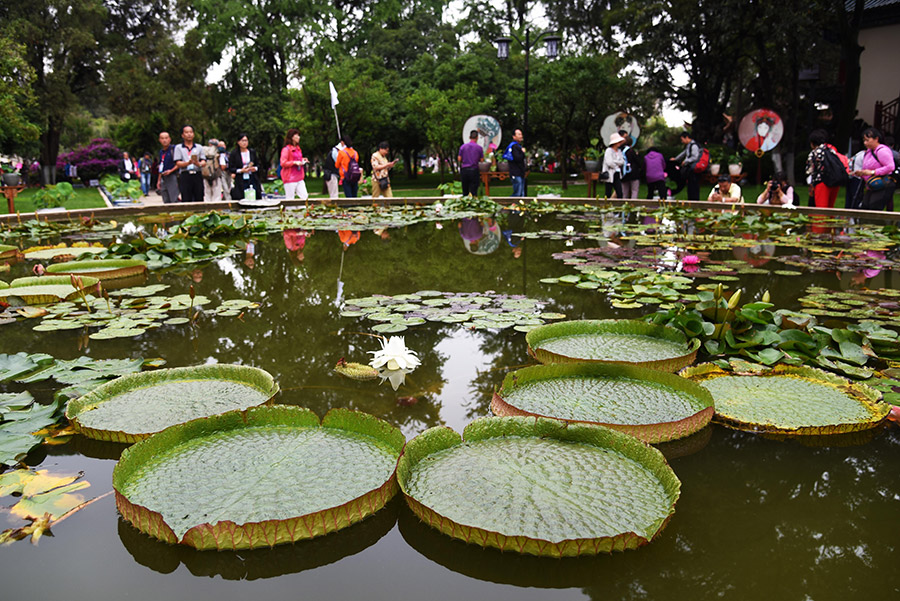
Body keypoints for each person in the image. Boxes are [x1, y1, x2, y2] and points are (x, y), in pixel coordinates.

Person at [854, 127, 896, 211]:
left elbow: (890, 167)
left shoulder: (882, 151)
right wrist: (862, 173)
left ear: (876, 139)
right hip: (871, 185)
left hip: (882, 184)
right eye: (864, 140)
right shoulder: (869, 151)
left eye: (867, 140)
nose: (865, 143)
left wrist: (873, 172)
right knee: (865, 206)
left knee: (874, 207)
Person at [805, 129, 839, 209]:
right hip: (834, 183)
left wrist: (811, 185)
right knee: (830, 208)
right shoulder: (831, 151)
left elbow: (810, 170)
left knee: (820, 210)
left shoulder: (814, 153)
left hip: (821, 183)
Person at [173, 125, 206, 202]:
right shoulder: (178, 148)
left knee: (199, 196)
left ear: (194, 134)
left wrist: (198, 163)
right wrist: (188, 163)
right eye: (186, 132)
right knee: (186, 197)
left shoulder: (199, 147)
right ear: (182, 135)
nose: (189, 134)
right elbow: (178, 163)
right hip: (185, 174)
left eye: (191, 132)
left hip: (197, 174)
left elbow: (204, 161)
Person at [228, 134, 263, 201]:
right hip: (241, 179)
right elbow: (231, 168)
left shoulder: (252, 152)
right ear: (238, 142)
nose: (244, 143)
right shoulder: (234, 153)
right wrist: (241, 170)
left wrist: (254, 168)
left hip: (252, 177)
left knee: (254, 195)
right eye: (242, 141)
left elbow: (258, 165)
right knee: (242, 197)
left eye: (246, 141)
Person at [280, 128, 309, 201]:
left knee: (305, 197)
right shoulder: (286, 149)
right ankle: (289, 212)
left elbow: (298, 159)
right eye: (297, 135)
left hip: (299, 177)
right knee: (290, 199)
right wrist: (294, 162)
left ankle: (303, 211)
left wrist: (303, 160)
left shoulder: (298, 149)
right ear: (292, 137)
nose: (299, 137)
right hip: (290, 178)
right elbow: (283, 163)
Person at [671, 131, 701, 200]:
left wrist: (686, 161)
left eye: (682, 139)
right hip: (690, 170)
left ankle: (695, 201)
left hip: (693, 170)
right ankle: (691, 200)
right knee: (690, 186)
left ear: (687, 137)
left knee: (694, 186)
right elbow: (684, 153)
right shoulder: (689, 146)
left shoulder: (694, 146)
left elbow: (695, 157)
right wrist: (675, 159)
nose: (682, 141)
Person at [458, 129, 484, 197]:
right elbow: (481, 160)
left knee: (465, 190)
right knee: (474, 190)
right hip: (474, 169)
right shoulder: (479, 148)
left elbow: (459, 159)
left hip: (464, 169)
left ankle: (465, 203)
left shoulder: (463, 147)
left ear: (469, 137)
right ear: (477, 138)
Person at [602, 132, 626, 199]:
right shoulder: (608, 151)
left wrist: (615, 162)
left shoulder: (619, 151)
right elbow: (609, 162)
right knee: (608, 192)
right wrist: (616, 164)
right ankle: (606, 205)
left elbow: (622, 161)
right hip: (610, 174)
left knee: (619, 192)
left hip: (617, 173)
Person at [619, 133, 642, 199]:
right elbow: (638, 162)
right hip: (633, 173)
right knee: (634, 190)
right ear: (631, 143)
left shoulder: (620, 151)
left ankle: (624, 205)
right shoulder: (631, 151)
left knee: (624, 192)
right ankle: (633, 205)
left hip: (624, 173)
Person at [507, 129, 526, 197]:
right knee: (518, 193)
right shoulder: (514, 146)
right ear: (514, 137)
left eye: (521, 134)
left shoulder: (517, 146)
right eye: (519, 134)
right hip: (516, 172)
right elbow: (517, 158)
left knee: (521, 193)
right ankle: (510, 205)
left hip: (520, 173)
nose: (521, 136)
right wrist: (522, 152)